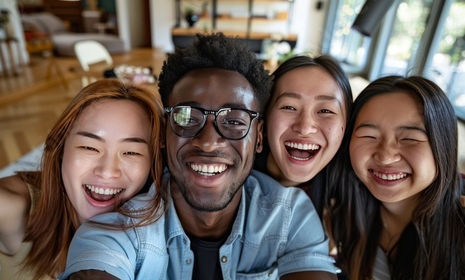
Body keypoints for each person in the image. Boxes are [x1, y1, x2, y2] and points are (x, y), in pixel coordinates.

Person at [62, 33, 338, 279]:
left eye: (234, 121)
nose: (208, 142)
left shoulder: (290, 216)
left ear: (260, 138)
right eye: (186, 117)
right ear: (163, 134)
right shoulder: (118, 229)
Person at [0, 79, 165, 279]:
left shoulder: (168, 224)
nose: (106, 171)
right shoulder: (6, 203)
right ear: (61, 148)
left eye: (131, 152)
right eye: (89, 147)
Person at [328, 75, 465, 279]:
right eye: (369, 136)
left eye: (409, 138)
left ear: (443, 146)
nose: (385, 156)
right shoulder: (341, 213)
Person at [254, 54, 353, 215]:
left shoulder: (346, 208)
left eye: (325, 111)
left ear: (345, 127)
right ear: (263, 121)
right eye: (289, 107)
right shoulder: (229, 180)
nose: (305, 127)